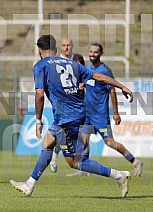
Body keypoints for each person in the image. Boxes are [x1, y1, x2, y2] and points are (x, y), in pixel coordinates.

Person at [10, 34, 133, 198]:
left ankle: (119, 175)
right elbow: (98, 76)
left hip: (67, 117)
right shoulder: (72, 63)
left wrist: (38, 119)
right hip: (77, 113)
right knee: (49, 144)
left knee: (76, 162)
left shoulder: (40, 66)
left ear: (39, 51)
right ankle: (29, 184)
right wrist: (122, 86)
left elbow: (39, 95)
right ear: (55, 48)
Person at [76, 43, 143, 176]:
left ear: (100, 54)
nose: (92, 54)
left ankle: (135, 161)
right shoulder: (87, 68)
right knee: (83, 140)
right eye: (90, 52)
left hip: (100, 115)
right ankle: (84, 169)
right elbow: (83, 91)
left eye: (95, 52)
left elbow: (112, 91)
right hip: (87, 114)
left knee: (109, 142)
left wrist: (116, 112)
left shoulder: (105, 71)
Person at [49, 37, 85, 173]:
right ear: (60, 47)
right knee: (65, 135)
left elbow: (83, 80)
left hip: (76, 105)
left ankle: (78, 164)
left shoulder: (77, 61)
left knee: (78, 136)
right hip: (63, 107)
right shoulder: (56, 62)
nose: (66, 47)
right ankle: (58, 156)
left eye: (69, 45)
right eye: (64, 45)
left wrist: (81, 88)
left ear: (72, 46)